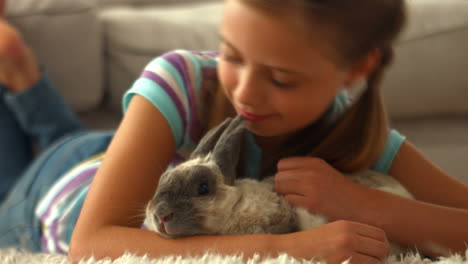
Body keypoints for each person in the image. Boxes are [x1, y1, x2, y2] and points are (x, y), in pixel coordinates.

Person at [1, 0, 467, 263]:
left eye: (282, 79)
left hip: (123, 165)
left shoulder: (351, 127)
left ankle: (24, 81)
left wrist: (359, 203)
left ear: (354, 70)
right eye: (231, 55)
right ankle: (23, 78)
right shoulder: (181, 79)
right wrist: (288, 249)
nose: (245, 94)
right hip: (59, 192)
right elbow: (90, 244)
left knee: (70, 139)